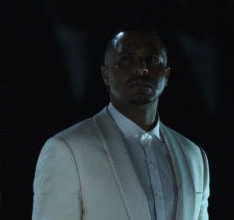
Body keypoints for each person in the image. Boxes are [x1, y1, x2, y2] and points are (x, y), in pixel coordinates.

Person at [32, 24, 210, 219]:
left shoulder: (193, 156)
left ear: (166, 75)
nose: (141, 68)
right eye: (126, 59)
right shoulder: (67, 150)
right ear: (106, 74)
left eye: (151, 59)